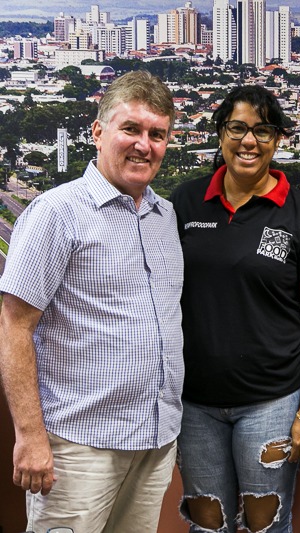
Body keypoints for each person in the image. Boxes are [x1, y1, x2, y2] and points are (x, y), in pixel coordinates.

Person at [0, 70, 182, 532]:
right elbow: (14, 326)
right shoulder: (56, 214)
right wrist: (29, 437)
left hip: (155, 440)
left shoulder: (165, 216)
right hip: (79, 447)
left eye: (157, 134)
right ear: (98, 132)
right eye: (131, 129)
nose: (144, 144)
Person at [169, 85, 300, 533]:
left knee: (266, 526)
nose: (249, 141)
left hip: (273, 401)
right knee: (208, 523)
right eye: (238, 129)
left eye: (262, 131)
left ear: (278, 139)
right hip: (195, 403)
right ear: (221, 134)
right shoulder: (185, 203)